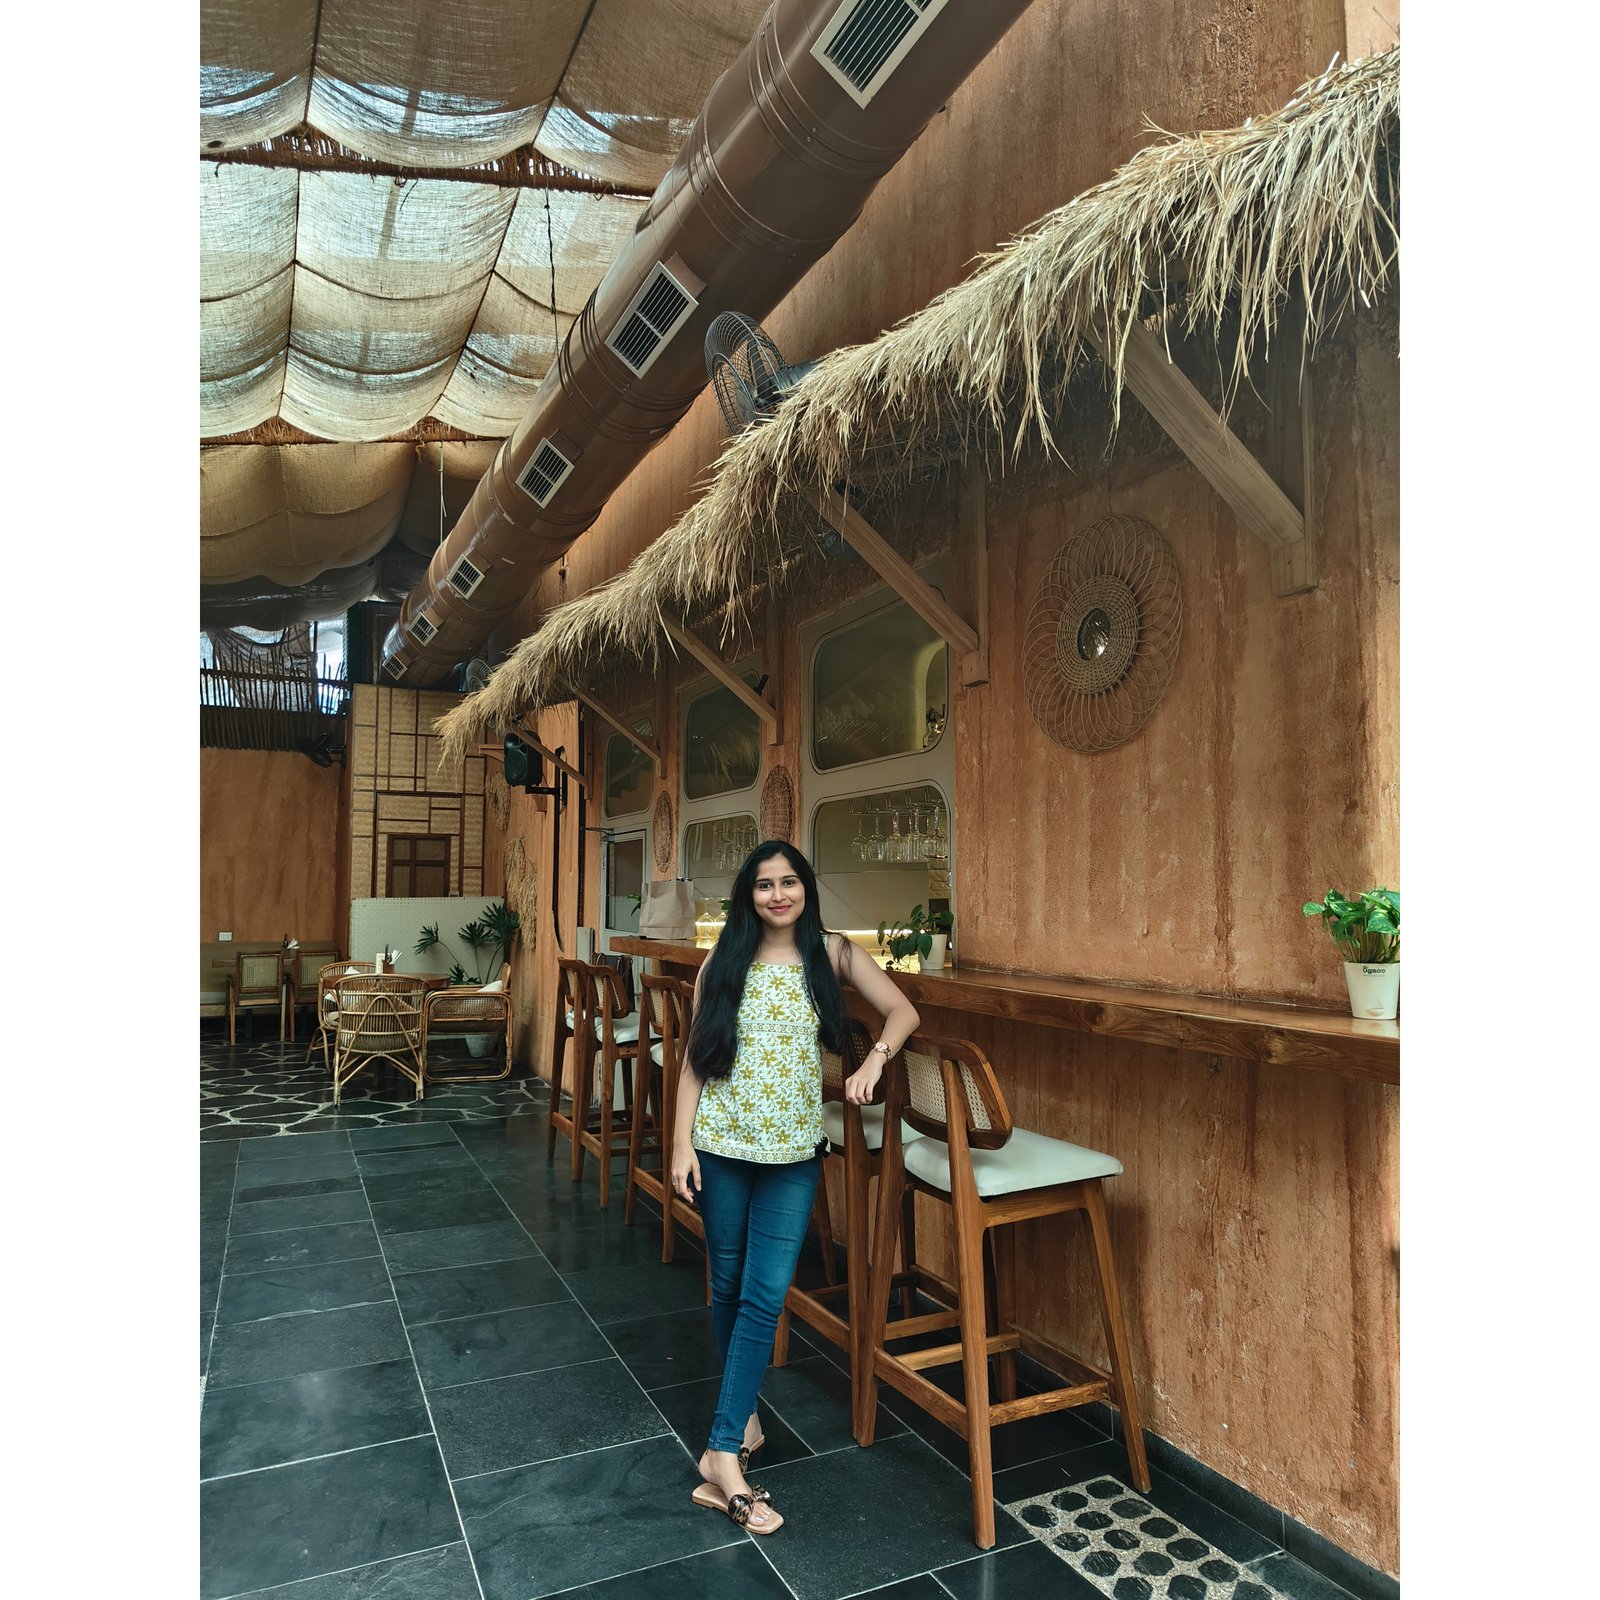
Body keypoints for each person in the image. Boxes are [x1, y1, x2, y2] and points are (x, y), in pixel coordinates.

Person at [670, 839, 920, 1534]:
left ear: (805, 887)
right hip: (720, 1145)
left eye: (788, 882)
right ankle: (741, 1423)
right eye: (763, 884)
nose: (777, 895)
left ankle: (721, 1454)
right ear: (747, 895)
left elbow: (903, 1012)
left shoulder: (832, 954)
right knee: (727, 1285)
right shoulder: (724, 959)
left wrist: (873, 1061)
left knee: (766, 1293)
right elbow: (695, 1059)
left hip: (794, 1152)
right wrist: (681, 1143)